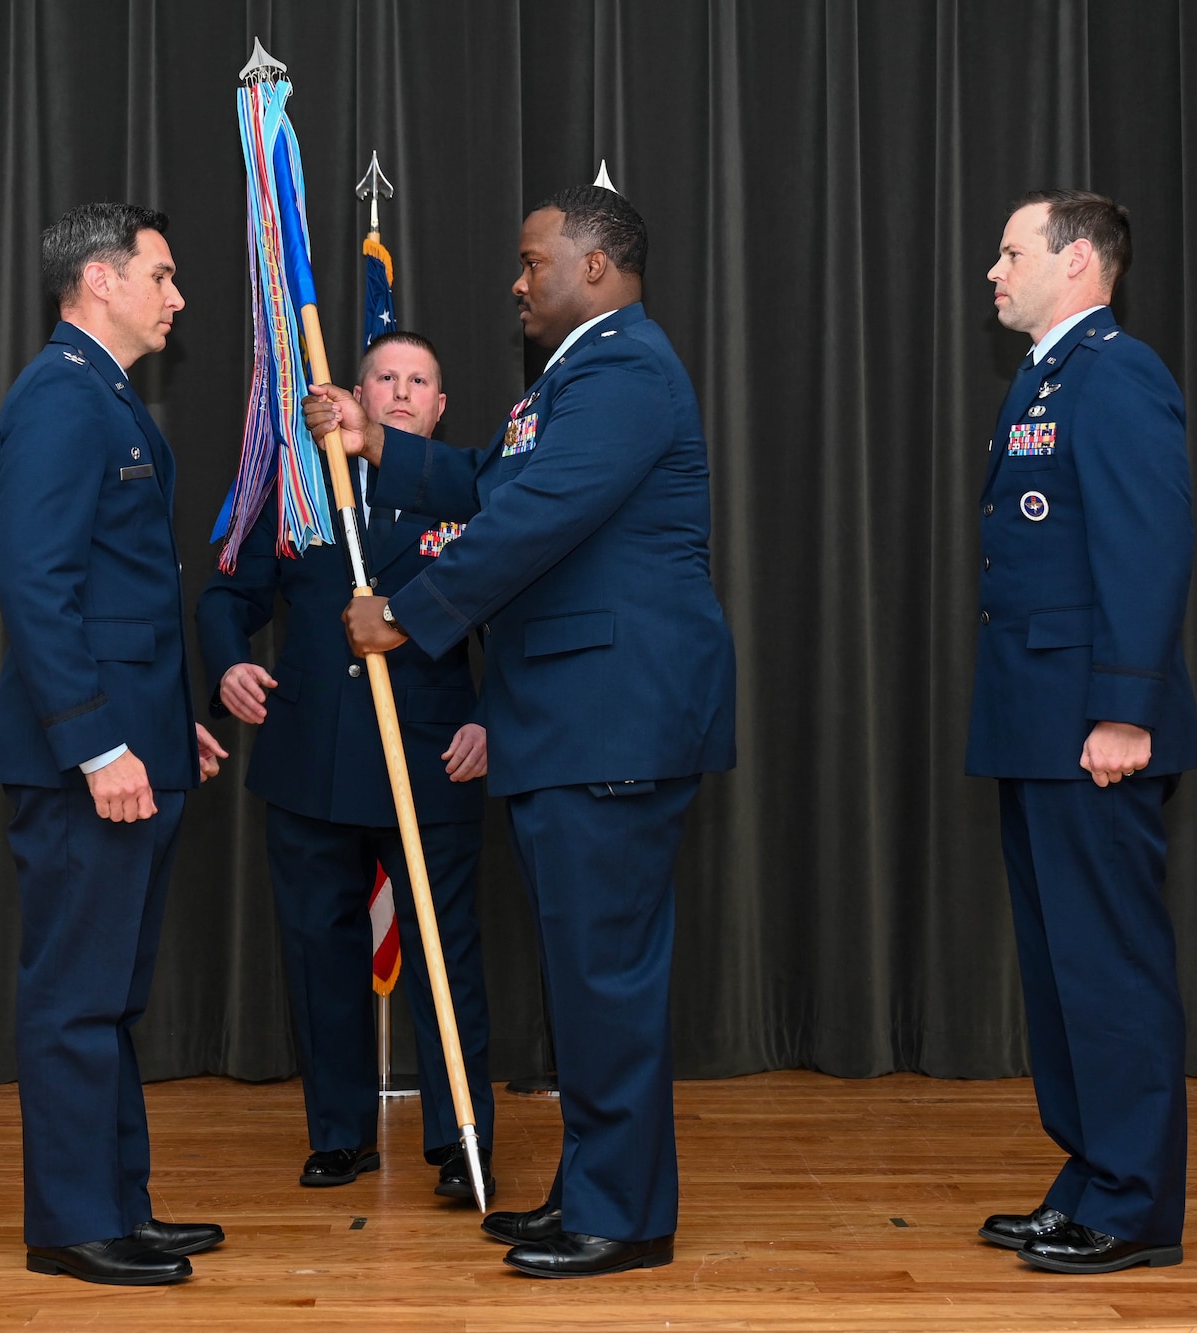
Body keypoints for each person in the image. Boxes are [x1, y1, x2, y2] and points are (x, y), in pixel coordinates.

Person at [305, 184, 737, 1279]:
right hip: (570, 721)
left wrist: (407, 614)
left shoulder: (626, 371)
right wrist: (375, 442)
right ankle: (594, 1191)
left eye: (533, 261)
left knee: (606, 977)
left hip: (614, 718)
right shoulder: (570, 379)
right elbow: (487, 483)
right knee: (584, 977)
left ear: (594, 266)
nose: (517, 280)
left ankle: (623, 1216)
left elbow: (538, 519)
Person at [0, 201, 231, 1287]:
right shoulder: (59, 396)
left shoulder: (107, 395)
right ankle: (72, 1223)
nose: (178, 298)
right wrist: (95, 747)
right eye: (161, 276)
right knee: (74, 998)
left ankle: (119, 1205)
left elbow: (120, 596)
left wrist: (166, 722)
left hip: (135, 746)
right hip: (84, 765)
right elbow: (37, 589)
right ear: (100, 280)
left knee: (111, 997)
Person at [195, 330, 497, 1201]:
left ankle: (459, 1138)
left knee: (445, 958)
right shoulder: (304, 491)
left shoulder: (474, 502)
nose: (400, 392)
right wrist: (229, 662)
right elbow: (227, 595)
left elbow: (516, 624)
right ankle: (340, 1133)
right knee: (319, 955)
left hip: (431, 762)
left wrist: (493, 721)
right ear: (354, 396)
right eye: (385, 377)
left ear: (441, 406)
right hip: (311, 764)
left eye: (419, 381)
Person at [969, 188, 1197, 1275]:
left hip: (1090, 727)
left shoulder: (1116, 373)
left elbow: (1148, 545)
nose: (993, 271)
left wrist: (1123, 708)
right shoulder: (1047, 376)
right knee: (1062, 970)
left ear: (1075, 262)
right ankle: (1090, 1175)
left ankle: (1134, 1203)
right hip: (1037, 721)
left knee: (1108, 968)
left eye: (1010, 252)